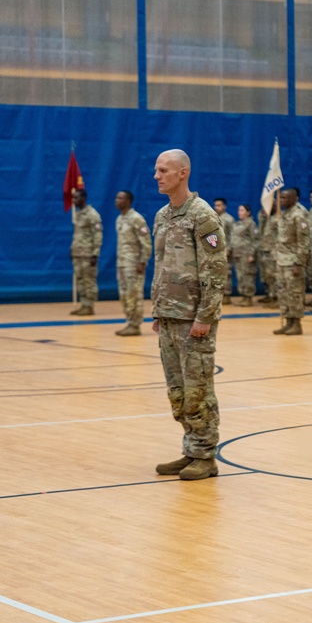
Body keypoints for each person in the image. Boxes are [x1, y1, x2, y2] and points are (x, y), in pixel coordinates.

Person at [151, 149, 227, 481]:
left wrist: (205, 317)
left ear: (183, 173)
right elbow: (161, 267)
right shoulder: (162, 216)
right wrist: (157, 310)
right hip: (169, 315)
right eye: (156, 170)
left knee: (198, 389)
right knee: (178, 390)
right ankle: (191, 450)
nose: (157, 176)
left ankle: (206, 456)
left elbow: (216, 271)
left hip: (194, 319)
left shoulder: (203, 216)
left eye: (163, 170)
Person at [273, 188, 310, 335]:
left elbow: (304, 242)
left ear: (294, 199)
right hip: (282, 260)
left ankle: (296, 324)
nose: (281, 201)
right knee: (284, 292)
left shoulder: (299, 214)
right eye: (281, 198)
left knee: (295, 293)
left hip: (293, 261)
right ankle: (288, 321)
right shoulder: (285, 214)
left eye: (285, 198)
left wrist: (299, 263)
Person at [114, 190, 151, 335]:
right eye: (117, 197)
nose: (116, 200)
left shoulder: (136, 218)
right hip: (122, 262)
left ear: (128, 201)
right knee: (124, 294)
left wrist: (142, 261)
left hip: (134, 263)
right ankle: (129, 321)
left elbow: (146, 242)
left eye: (120, 198)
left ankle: (135, 325)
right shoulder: (120, 219)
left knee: (134, 293)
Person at [69, 188, 102, 316]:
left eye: (76, 198)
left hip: (88, 254)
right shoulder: (78, 214)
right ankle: (83, 304)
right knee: (80, 280)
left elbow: (97, 235)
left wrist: (95, 254)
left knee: (89, 280)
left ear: (83, 198)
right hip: (78, 253)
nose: (73, 200)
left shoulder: (92, 214)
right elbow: (78, 234)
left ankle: (89, 305)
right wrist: (73, 250)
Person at [231, 204, 259, 306]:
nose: (239, 212)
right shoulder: (237, 224)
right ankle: (243, 296)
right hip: (237, 254)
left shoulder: (251, 224)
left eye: (242, 210)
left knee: (248, 276)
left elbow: (255, 240)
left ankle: (248, 297)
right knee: (240, 276)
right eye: (239, 210)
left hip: (246, 254)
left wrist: (252, 254)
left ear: (248, 212)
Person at [213, 198, 235, 305]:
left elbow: (232, 235)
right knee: (217, 274)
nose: (217, 207)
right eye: (215, 205)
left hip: (225, 250)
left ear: (224, 206)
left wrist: (229, 248)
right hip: (215, 250)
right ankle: (219, 294)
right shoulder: (213, 218)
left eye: (219, 205)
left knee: (227, 273)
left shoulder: (229, 219)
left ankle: (227, 295)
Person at [257, 202, 279, 307]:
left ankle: (277, 298)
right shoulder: (266, 218)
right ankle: (270, 295)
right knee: (268, 275)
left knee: (275, 276)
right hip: (265, 249)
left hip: (274, 251)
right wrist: (264, 217)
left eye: (273, 205)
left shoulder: (278, 218)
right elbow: (261, 231)